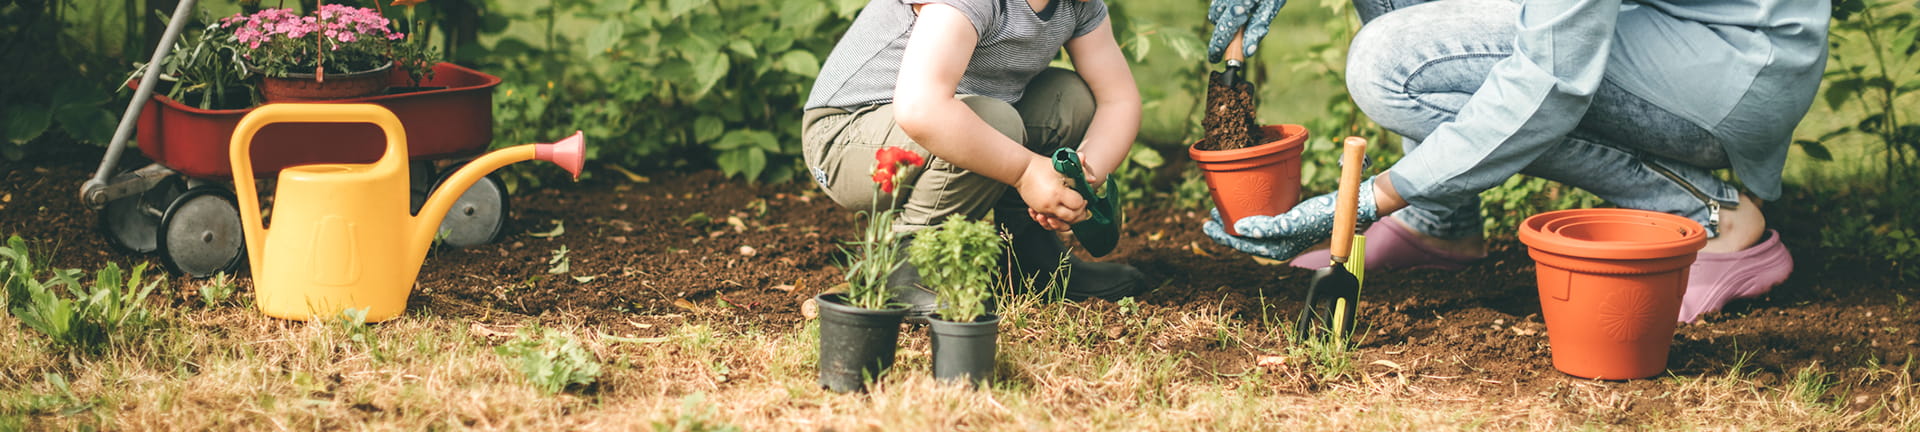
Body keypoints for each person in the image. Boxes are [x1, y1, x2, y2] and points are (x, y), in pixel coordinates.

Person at [1202, 0, 1827, 323]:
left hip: (1733, 59)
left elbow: (1551, 81)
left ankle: (1710, 214)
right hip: (1655, 20)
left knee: (1389, 64)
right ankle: (1441, 221)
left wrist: (1375, 197)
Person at [802, 0, 1151, 321]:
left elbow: (1118, 100)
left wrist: (1078, 177)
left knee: (1069, 98)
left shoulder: (1077, 4)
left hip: (945, 120)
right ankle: (911, 269)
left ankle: (1026, 256)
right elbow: (921, 108)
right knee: (994, 122)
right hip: (847, 140)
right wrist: (1027, 171)